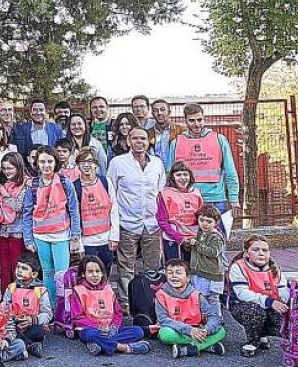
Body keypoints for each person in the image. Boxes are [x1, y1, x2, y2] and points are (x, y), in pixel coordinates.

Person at [107, 126, 166, 311]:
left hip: (151, 223)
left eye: (142, 138)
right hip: (127, 221)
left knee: (153, 266)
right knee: (126, 267)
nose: (139, 142)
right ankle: (127, 303)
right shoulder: (118, 163)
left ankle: (151, 301)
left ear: (148, 141)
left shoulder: (157, 163)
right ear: (128, 141)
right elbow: (111, 193)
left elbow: (161, 192)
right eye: (135, 138)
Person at [168, 103, 241, 231]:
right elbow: (170, 173)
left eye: (199, 120)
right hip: (188, 200)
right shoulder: (176, 143)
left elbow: (230, 171)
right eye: (191, 120)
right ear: (185, 121)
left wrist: (234, 198)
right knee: (191, 243)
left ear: (204, 119)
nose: (196, 124)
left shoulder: (219, 139)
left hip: (216, 199)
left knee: (217, 242)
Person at [21, 145, 81, 299]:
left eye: (49, 161)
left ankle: (64, 308)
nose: (46, 165)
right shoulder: (32, 186)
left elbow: (74, 210)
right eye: (42, 162)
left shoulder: (65, 183)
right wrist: (28, 239)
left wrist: (75, 237)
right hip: (40, 236)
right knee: (47, 273)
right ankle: (52, 306)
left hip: (61, 235)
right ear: (37, 164)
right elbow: (27, 214)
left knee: (62, 274)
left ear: (55, 163)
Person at [70, 255, 150, 356]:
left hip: (110, 328)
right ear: (83, 274)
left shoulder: (108, 289)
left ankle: (99, 345)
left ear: (103, 273)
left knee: (138, 331)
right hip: (91, 329)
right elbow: (77, 317)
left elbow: (118, 313)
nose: (94, 275)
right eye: (90, 272)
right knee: (90, 335)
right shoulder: (79, 290)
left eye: (97, 271)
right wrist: (97, 327)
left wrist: (114, 327)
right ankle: (125, 348)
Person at [227, 235, 290, 358]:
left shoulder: (275, 268)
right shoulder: (238, 267)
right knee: (254, 311)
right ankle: (252, 341)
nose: (261, 253)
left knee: (286, 318)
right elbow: (242, 293)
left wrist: (292, 291)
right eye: (255, 250)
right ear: (246, 252)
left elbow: (283, 291)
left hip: (270, 303)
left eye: (264, 250)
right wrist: (270, 302)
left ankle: (262, 334)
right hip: (242, 305)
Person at [155, 259, 227, 357]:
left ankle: (189, 348)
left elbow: (213, 316)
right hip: (176, 330)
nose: (174, 276)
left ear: (188, 278)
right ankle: (207, 345)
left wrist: (206, 330)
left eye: (178, 273)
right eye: (170, 273)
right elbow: (163, 320)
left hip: (197, 328)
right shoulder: (161, 295)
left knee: (221, 331)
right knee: (165, 334)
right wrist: (189, 330)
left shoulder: (196, 295)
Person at [72, 148, 114, 275]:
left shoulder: (106, 182)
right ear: (78, 165)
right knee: (90, 273)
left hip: (106, 238)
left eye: (90, 161)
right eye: (82, 161)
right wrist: (78, 243)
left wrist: (114, 236)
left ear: (96, 164)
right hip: (87, 240)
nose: (86, 165)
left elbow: (114, 209)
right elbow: (74, 215)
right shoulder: (75, 187)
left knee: (106, 272)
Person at [2, 252, 51, 358]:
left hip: (32, 326)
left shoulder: (41, 290)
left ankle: (20, 345)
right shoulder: (11, 287)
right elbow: (4, 309)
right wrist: (14, 318)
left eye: (24, 268)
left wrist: (31, 320)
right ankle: (30, 346)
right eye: (18, 267)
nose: (19, 270)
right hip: (14, 325)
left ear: (34, 274)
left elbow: (48, 315)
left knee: (39, 330)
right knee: (6, 329)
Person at [0, 151, 29, 290]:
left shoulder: (26, 183)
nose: (6, 171)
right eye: (4, 168)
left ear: (18, 167)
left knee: (17, 266)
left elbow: (18, 206)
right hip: (2, 229)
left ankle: (18, 295)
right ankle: (4, 296)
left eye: (10, 168)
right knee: (3, 266)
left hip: (17, 230)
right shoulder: (1, 183)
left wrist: (4, 193)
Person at [158, 161, 205, 261]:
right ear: (172, 177)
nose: (182, 178)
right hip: (173, 237)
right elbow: (162, 221)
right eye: (178, 175)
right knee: (175, 267)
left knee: (192, 268)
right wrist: (179, 238)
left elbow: (201, 217)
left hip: (192, 238)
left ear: (190, 176)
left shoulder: (196, 193)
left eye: (185, 174)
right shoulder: (165, 194)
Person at [189, 205, 226, 307]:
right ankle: (205, 318)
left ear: (215, 222)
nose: (204, 224)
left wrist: (196, 244)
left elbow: (213, 252)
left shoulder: (216, 236)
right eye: (202, 220)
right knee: (200, 299)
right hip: (199, 272)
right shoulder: (199, 233)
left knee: (212, 299)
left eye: (208, 221)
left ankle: (216, 319)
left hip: (211, 275)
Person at [150, 99, 187, 168]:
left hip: (175, 172)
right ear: (152, 114)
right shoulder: (148, 133)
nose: (159, 113)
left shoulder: (181, 131)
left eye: (162, 109)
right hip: (155, 171)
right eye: (155, 110)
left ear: (169, 112)